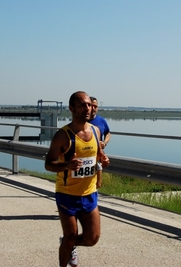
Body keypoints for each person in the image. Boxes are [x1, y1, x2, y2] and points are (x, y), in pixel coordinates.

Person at [45, 91, 110, 267]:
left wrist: (103, 159)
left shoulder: (96, 131)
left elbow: (98, 155)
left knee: (92, 238)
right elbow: (48, 164)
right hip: (67, 194)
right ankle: (66, 254)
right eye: (82, 105)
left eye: (89, 105)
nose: (87, 108)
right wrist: (65, 166)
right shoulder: (63, 135)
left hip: (89, 194)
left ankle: (69, 244)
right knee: (70, 235)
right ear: (72, 109)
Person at [88, 96, 111, 189]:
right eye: (91, 105)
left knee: (98, 184)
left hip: (97, 156)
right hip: (84, 156)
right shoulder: (80, 120)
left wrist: (104, 142)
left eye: (95, 106)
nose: (93, 108)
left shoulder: (101, 120)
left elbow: (108, 133)